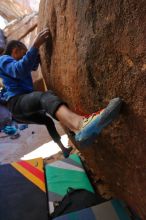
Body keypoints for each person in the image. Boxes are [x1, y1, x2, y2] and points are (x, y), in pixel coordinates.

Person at [0, 28, 122, 158]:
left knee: (48, 121)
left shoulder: (16, 61)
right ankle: (79, 124)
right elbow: (19, 70)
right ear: (16, 50)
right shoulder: (4, 59)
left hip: (20, 111)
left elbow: (32, 65)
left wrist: (37, 53)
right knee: (45, 97)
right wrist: (35, 45)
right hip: (17, 102)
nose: (25, 56)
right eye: (23, 53)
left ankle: (64, 146)